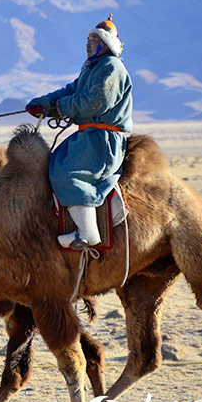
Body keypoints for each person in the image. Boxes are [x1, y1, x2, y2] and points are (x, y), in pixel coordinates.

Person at [26, 14, 133, 250]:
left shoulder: (112, 68)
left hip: (103, 140)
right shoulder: (92, 69)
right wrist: (43, 103)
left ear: (106, 44)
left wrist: (60, 107)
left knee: (68, 172)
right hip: (89, 136)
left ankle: (87, 233)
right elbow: (70, 90)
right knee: (53, 163)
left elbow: (96, 102)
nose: (88, 44)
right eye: (87, 39)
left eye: (94, 40)